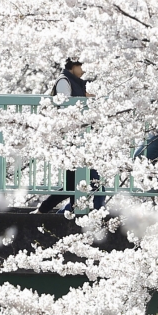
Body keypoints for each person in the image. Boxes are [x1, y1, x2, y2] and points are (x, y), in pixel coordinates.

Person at [38, 59, 105, 213]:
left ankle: (54, 211)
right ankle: (74, 212)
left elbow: (86, 98)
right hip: (71, 140)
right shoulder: (64, 82)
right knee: (91, 181)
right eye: (82, 66)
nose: (84, 70)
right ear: (73, 66)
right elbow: (66, 109)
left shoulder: (76, 82)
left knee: (73, 185)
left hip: (79, 139)